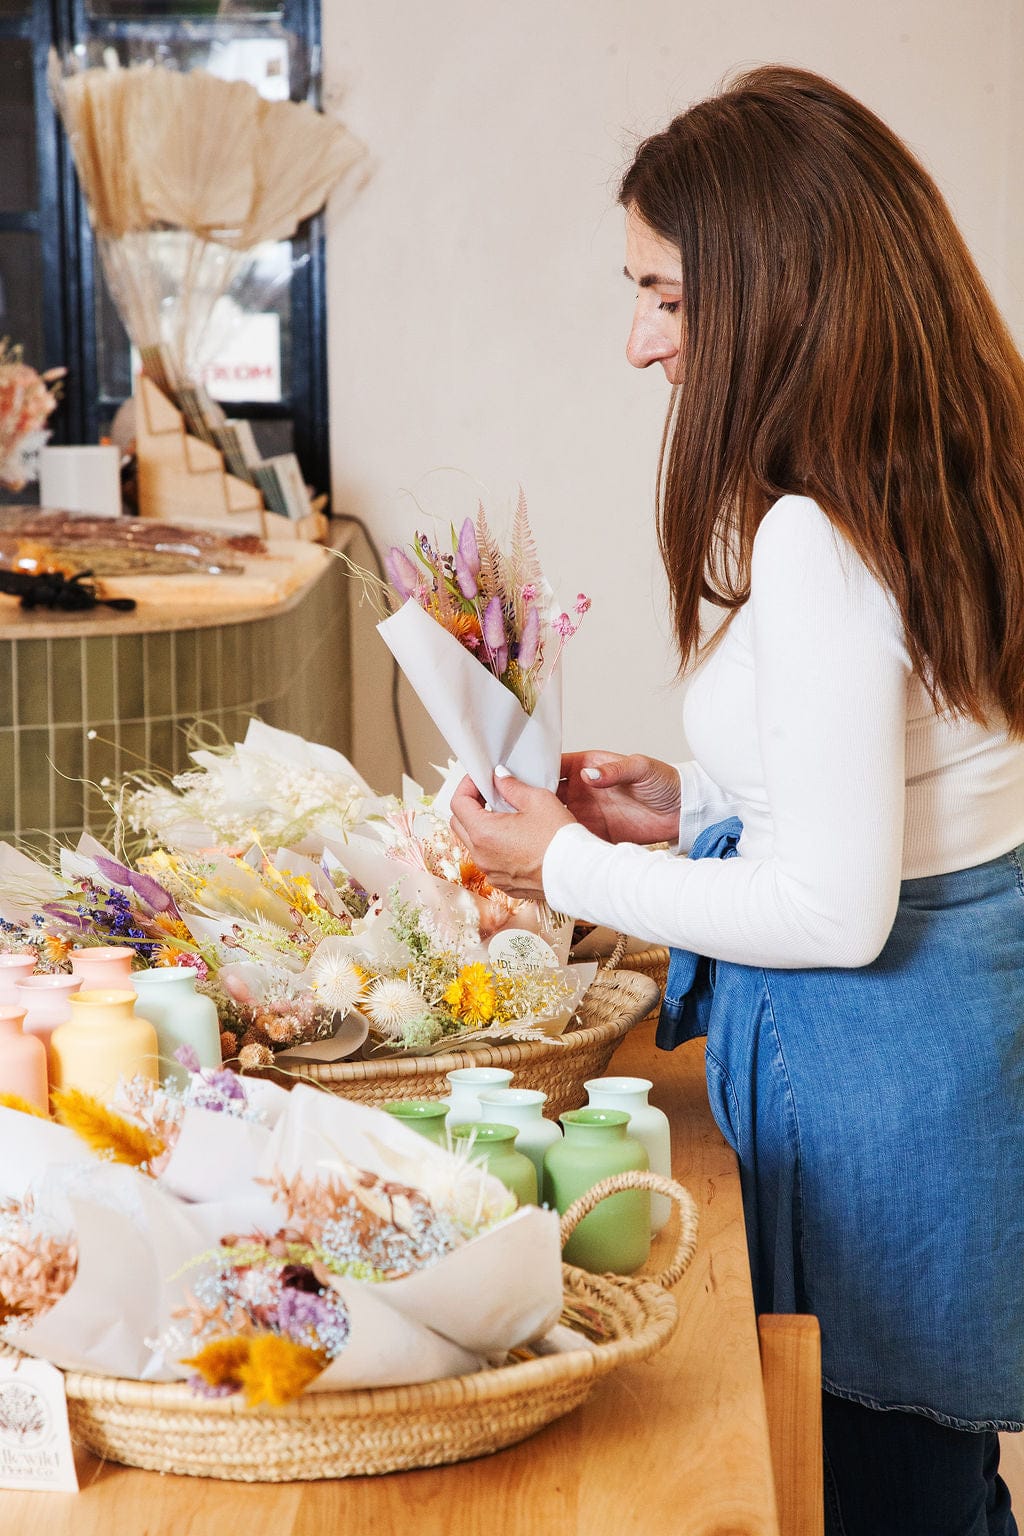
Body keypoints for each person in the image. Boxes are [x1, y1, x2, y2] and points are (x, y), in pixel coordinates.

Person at [449, 65, 1024, 1536]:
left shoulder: (819, 537)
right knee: (936, 1485)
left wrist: (565, 861)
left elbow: (835, 907)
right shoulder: (935, 463)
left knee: (893, 1497)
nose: (637, 339)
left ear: (778, 289)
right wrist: (691, 792)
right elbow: (925, 754)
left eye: (668, 297)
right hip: (944, 1064)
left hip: (880, 1086)